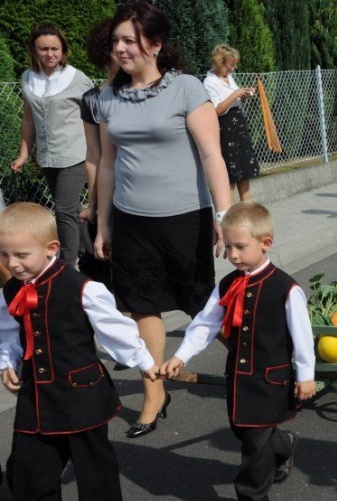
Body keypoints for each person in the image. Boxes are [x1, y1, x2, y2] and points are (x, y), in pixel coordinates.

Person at [93, 1, 233, 438]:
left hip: (184, 217)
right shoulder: (107, 96)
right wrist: (103, 223)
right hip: (132, 219)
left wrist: (225, 214)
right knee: (140, 306)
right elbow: (108, 165)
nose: (119, 48)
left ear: (154, 44)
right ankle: (154, 394)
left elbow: (212, 155)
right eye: (116, 40)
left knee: (200, 304)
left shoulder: (187, 88)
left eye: (129, 40)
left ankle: (261, 359)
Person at [0, 203, 158, 501]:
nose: (13, 263)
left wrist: (144, 362)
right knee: (27, 463)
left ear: (52, 248)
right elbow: (9, 334)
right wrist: (8, 362)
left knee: (91, 460)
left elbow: (116, 330)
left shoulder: (82, 287)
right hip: (36, 394)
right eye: (6, 254)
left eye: (22, 255)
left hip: (80, 390)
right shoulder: (10, 291)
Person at [161, 202, 315, 501]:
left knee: (254, 446)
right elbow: (206, 324)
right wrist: (181, 356)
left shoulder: (286, 288)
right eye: (228, 246)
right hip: (238, 380)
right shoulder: (228, 284)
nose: (232, 254)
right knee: (243, 432)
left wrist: (306, 376)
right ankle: (284, 443)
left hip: (270, 379)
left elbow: (303, 336)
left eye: (240, 247)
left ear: (266, 243)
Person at [10, 23, 93, 268]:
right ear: (34, 51)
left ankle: (66, 266)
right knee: (71, 210)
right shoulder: (27, 77)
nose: (50, 54)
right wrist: (23, 154)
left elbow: (97, 115)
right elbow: (28, 118)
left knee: (64, 209)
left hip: (75, 154)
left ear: (63, 49)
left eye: (55, 48)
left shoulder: (77, 78)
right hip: (47, 156)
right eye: (43, 49)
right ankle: (84, 255)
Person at [79, 18, 116, 291]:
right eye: (114, 44)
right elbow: (94, 157)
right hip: (108, 191)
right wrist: (92, 204)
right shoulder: (92, 99)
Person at [203, 45, 260, 202]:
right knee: (231, 168)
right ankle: (230, 209)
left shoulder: (229, 78)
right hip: (225, 127)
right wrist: (235, 94)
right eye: (231, 65)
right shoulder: (209, 82)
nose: (234, 68)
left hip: (238, 124)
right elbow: (217, 109)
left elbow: (234, 100)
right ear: (220, 63)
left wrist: (244, 95)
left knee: (244, 165)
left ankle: (246, 205)